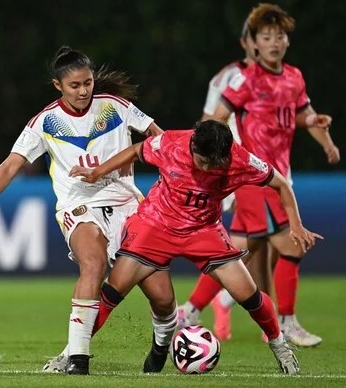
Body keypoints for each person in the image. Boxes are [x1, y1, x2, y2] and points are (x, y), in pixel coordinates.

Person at [0, 46, 176, 375]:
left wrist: (178, 169)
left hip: (128, 205)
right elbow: (10, 166)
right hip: (79, 208)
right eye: (75, 85)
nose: (83, 91)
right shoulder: (45, 122)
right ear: (58, 85)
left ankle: (162, 345)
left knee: (162, 298)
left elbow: (158, 137)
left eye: (88, 83)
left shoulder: (116, 107)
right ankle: (77, 359)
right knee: (92, 263)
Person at [70, 119, 320, 375]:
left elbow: (280, 183)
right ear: (192, 146)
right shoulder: (171, 143)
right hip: (156, 225)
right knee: (114, 290)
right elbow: (136, 150)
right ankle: (72, 353)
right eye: (203, 161)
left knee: (248, 294)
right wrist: (97, 171)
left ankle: (280, 345)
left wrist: (296, 225)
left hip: (204, 230)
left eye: (215, 163)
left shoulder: (240, 159)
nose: (209, 168)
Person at [177, 3, 340, 348]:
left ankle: (190, 311)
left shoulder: (294, 76)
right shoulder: (244, 80)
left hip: (278, 174)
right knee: (291, 245)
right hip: (255, 175)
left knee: (242, 252)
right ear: (252, 43)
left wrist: (321, 133)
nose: (274, 42)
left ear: (286, 42)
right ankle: (287, 322)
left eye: (279, 36)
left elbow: (300, 114)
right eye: (266, 37)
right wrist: (218, 156)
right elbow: (217, 117)